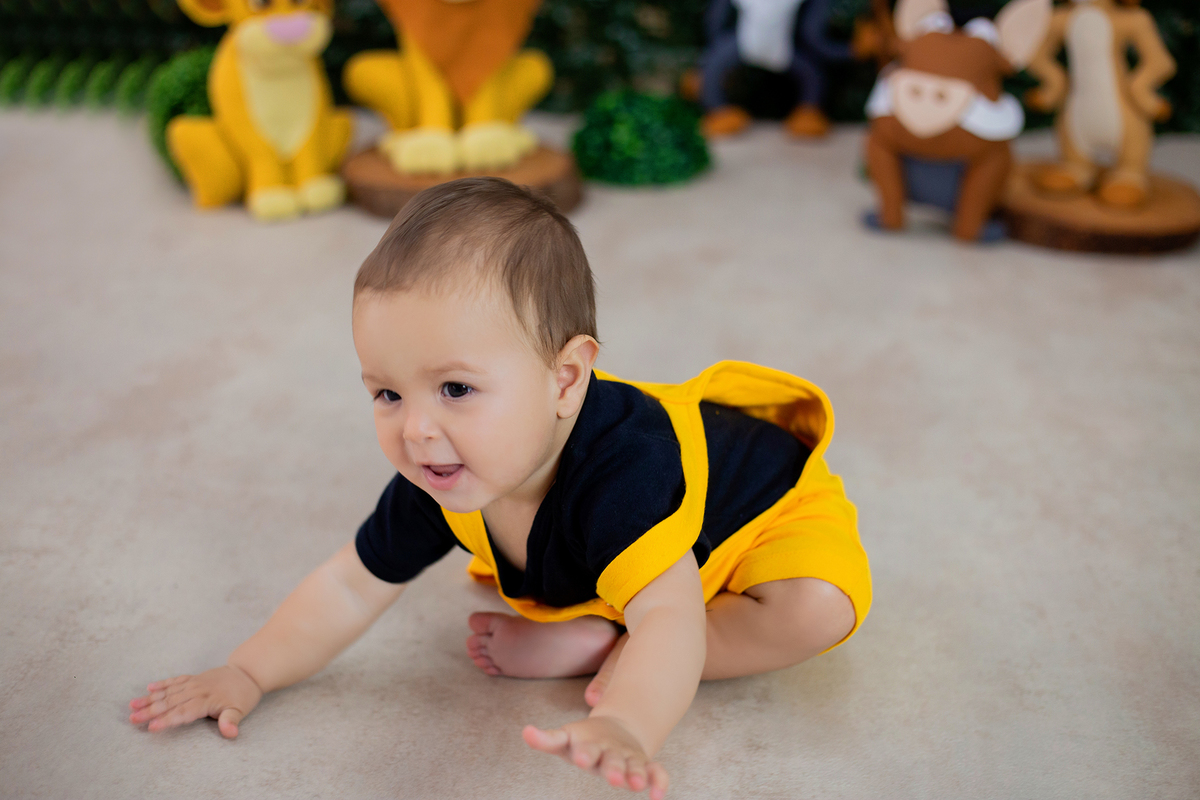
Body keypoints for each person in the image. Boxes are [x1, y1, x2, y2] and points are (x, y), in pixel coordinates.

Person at [129, 177, 872, 799]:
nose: (416, 431)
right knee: (611, 578)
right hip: (625, 554)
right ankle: (598, 626)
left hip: (758, 521)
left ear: (566, 378)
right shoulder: (446, 470)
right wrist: (247, 671)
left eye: (455, 388)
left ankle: (604, 642)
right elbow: (352, 585)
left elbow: (673, 620)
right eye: (386, 394)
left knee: (815, 608)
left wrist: (628, 721)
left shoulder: (624, 470)